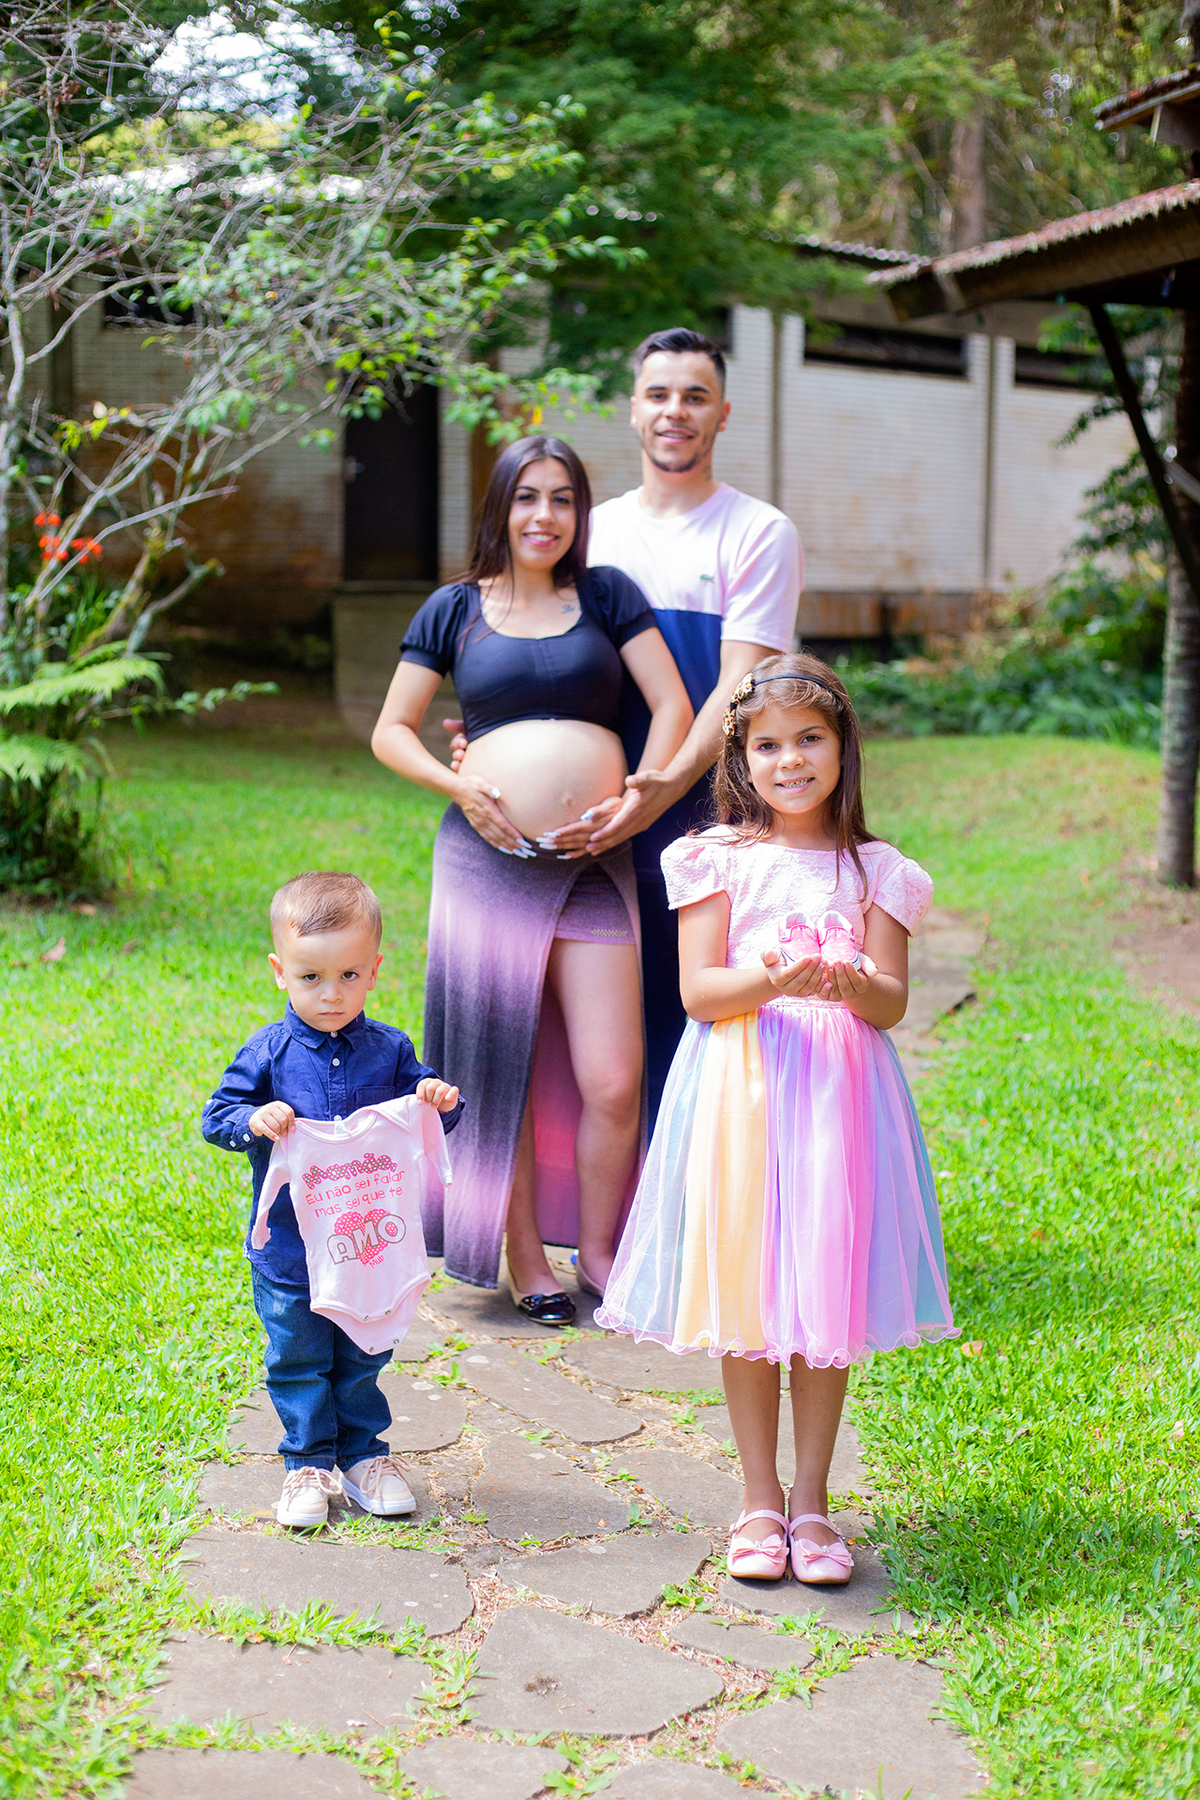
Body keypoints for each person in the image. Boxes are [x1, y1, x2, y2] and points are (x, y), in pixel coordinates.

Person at [596, 654, 957, 1584]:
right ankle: (759, 1499)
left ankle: (814, 1502)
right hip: (743, 1094)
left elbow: (890, 1003)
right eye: (768, 745)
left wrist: (850, 983)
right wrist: (772, 978)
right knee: (749, 1292)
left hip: (838, 1100)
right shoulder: (714, 858)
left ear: (843, 746)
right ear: (741, 759)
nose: (790, 760)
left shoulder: (878, 870)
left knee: (824, 1290)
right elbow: (699, 993)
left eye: (810, 739)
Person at [371, 436, 692, 1323]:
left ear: (579, 513)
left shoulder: (608, 597)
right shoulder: (454, 609)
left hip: (596, 860)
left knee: (613, 1077)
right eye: (526, 497)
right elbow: (392, 729)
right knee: (493, 1063)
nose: (544, 515)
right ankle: (523, 1259)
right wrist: (459, 787)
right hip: (487, 860)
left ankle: (600, 1248)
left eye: (562, 499)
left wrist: (642, 792)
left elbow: (672, 705)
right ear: (500, 508)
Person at [550, 326, 804, 1122]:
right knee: (596, 1039)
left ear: (722, 414)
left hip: (709, 811)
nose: (675, 411)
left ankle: (703, 1190)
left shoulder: (759, 532)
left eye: (696, 397)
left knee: (694, 1021)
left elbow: (740, 683)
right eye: (658, 394)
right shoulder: (589, 532)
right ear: (633, 409)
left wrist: (661, 789)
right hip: (592, 813)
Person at [202, 871, 462, 1530]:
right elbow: (216, 1117)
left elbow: (428, 1112)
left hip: (367, 1245)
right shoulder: (269, 1052)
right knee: (299, 1357)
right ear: (279, 972)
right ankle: (308, 1463)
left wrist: (436, 1098)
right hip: (291, 1249)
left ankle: (363, 1456)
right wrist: (254, 1120)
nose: (331, 993)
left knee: (362, 1354)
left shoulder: (391, 1051)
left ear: (374, 969)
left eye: (349, 975)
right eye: (310, 977)